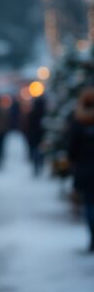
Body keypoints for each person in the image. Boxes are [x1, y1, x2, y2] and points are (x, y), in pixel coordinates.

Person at [67, 88, 94, 253]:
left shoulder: (78, 122)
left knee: (90, 205)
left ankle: (92, 237)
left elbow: (72, 150)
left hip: (85, 169)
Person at [25, 96, 47, 177]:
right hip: (41, 136)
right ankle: (40, 165)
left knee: (35, 152)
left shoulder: (32, 113)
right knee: (41, 152)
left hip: (33, 136)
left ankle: (36, 167)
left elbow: (28, 125)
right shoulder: (45, 113)